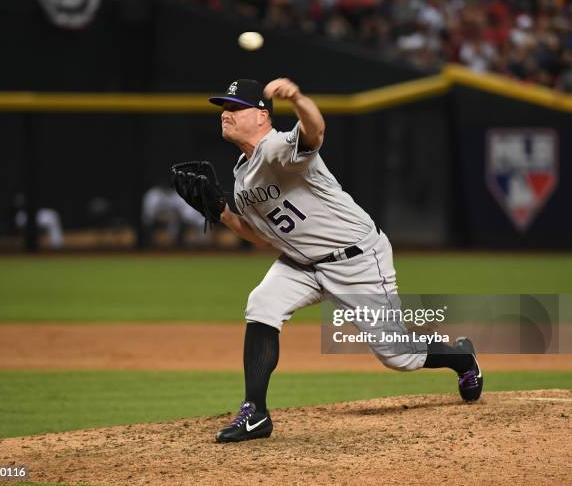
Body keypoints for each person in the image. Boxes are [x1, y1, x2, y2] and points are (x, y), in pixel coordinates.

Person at [188, 78, 483, 443]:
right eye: (223, 108)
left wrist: (297, 98)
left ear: (262, 115)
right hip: (302, 263)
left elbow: (315, 130)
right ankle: (255, 414)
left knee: (397, 355)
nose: (226, 115)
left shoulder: (277, 147)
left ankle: (461, 356)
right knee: (262, 303)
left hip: (357, 261)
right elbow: (265, 237)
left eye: (235, 107)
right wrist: (223, 214)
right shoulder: (241, 176)